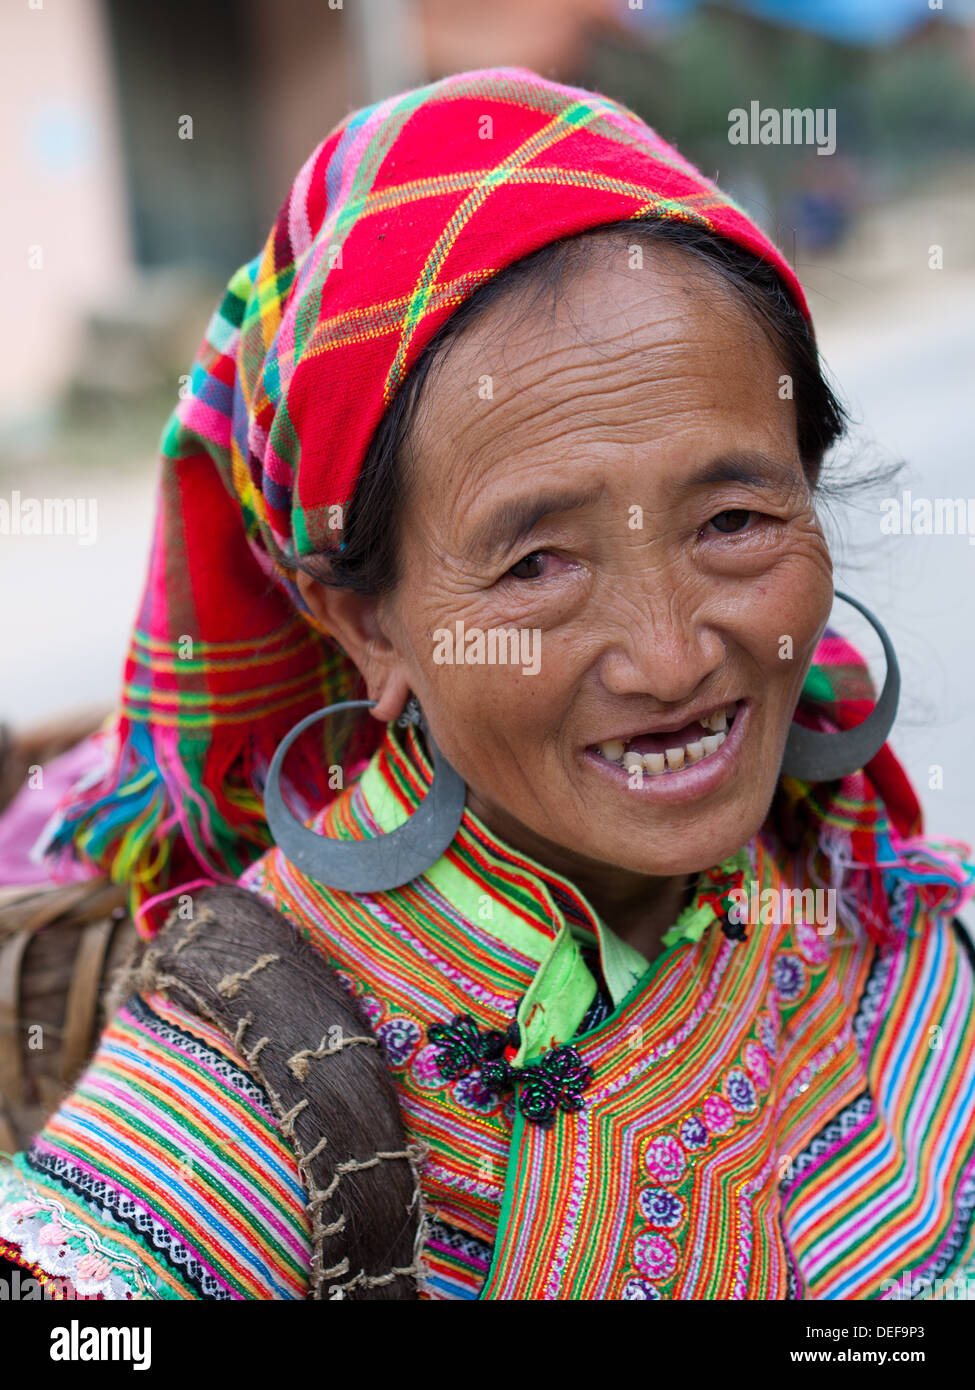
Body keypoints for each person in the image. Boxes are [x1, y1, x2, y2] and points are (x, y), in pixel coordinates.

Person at [1, 66, 973, 1301]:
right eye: (537, 564)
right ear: (369, 628)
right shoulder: (244, 1083)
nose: (671, 656)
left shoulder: (878, 907)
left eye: (733, 519)